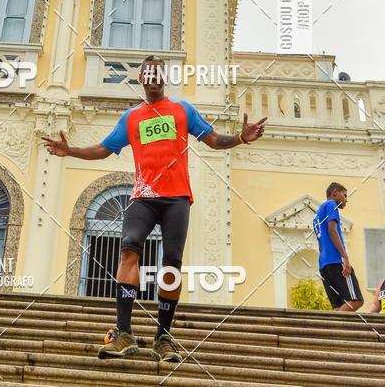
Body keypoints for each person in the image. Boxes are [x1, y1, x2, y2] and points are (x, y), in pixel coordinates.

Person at [43, 55, 266, 362]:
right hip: (143, 196)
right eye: (147, 74)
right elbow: (102, 150)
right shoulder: (131, 118)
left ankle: (163, 337)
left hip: (176, 197)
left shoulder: (183, 110)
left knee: (172, 263)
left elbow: (214, 140)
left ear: (164, 78)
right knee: (129, 248)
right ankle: (123, 333)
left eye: (157, 73)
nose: (152, 78)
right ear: (141, 80)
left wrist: (241, 137)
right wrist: (70, 151)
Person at [312, 182, 363, 312]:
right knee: (356, 300)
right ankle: (328, 327)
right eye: (344, 195)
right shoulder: (331, 204)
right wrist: (345, 258)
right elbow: (332, 230)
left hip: (324, 265)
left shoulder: (317, 214)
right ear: (335, 193)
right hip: (335, 261)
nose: (346, 200)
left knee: (338, 306)